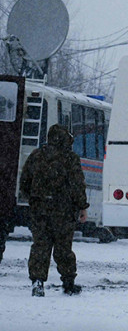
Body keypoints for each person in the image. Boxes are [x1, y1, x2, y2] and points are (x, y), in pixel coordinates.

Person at [20, 124, 89, 297]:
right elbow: (77, 186)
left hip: (39, 210)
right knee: (63, 247)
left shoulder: (36, 156)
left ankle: (37, 281)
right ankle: (68, 282)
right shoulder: (70, 158)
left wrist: (35, 199)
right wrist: (82, 207)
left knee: (40, 246)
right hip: (63, 211)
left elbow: (24, 182)